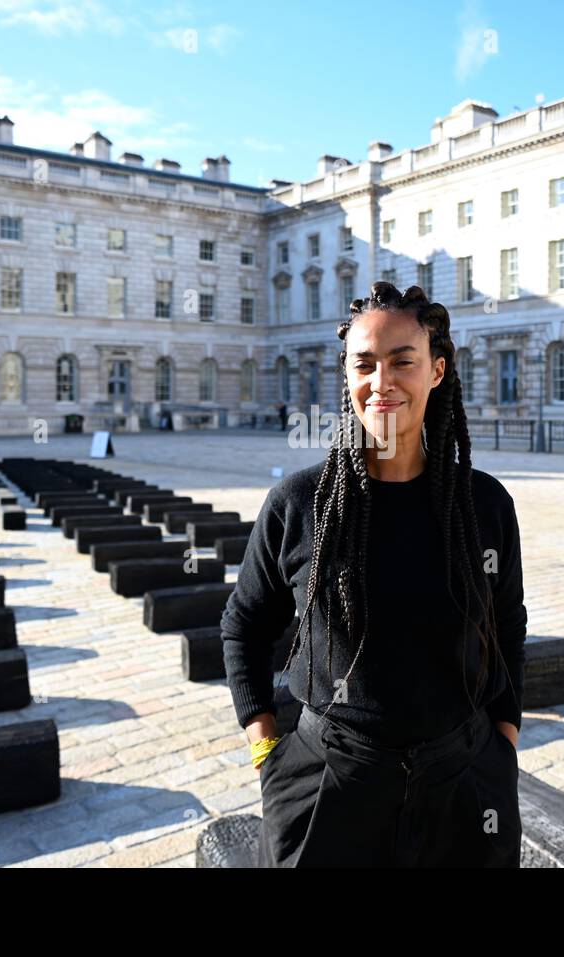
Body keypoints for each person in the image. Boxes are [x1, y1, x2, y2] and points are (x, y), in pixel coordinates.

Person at [221, 281, 528, 867]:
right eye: (364, 364)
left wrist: (503, 743)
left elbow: (507, 625)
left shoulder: (484, 506)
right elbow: (243, 625)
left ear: (436, 371)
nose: (381, 382)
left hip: (464, 786)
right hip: (328, 787)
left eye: (401, 362)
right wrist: (267, 755)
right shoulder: (299, 502)